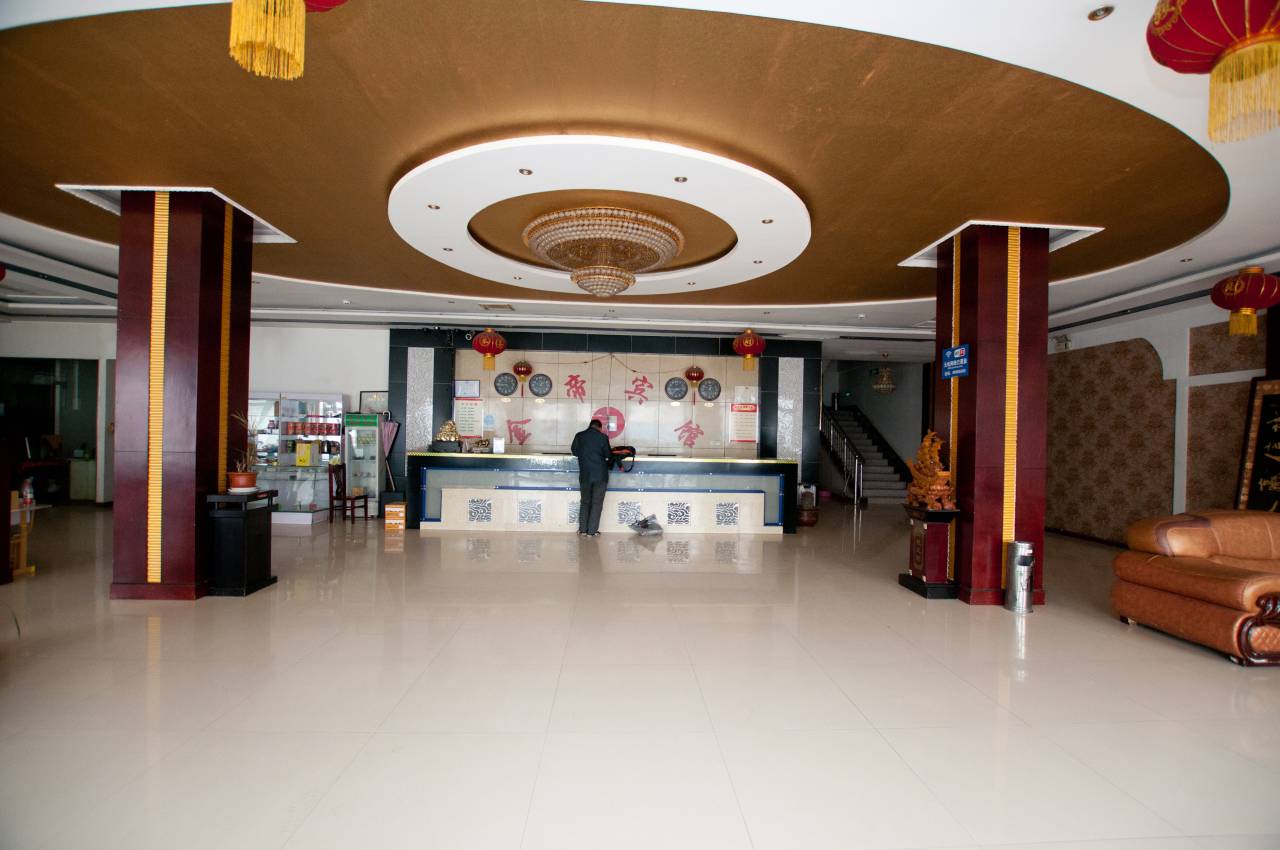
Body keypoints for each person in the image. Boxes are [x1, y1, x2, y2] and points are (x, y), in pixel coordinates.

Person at [570, 418, 611, 536]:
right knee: (597, 503)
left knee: (585, 502)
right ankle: (592, 532)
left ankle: (583, 530)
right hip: (600, 476)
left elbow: (574, 451)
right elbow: (608, 454)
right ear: (600, 428)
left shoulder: (579, 436)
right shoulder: (603, 437)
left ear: (590, 425)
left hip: (585, 475)